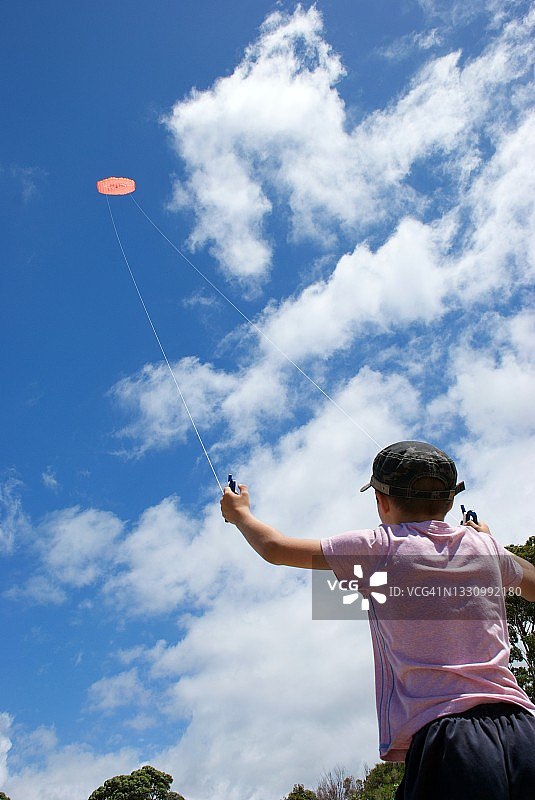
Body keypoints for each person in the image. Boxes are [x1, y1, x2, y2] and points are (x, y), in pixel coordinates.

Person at [220, 441, 535, 800]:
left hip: (450, 740)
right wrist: (490, 544)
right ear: (450, 502)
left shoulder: (378, 548)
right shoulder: (487, 548)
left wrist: (240, 514)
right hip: (523, 728)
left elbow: (275, 549)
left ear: (381, 501)